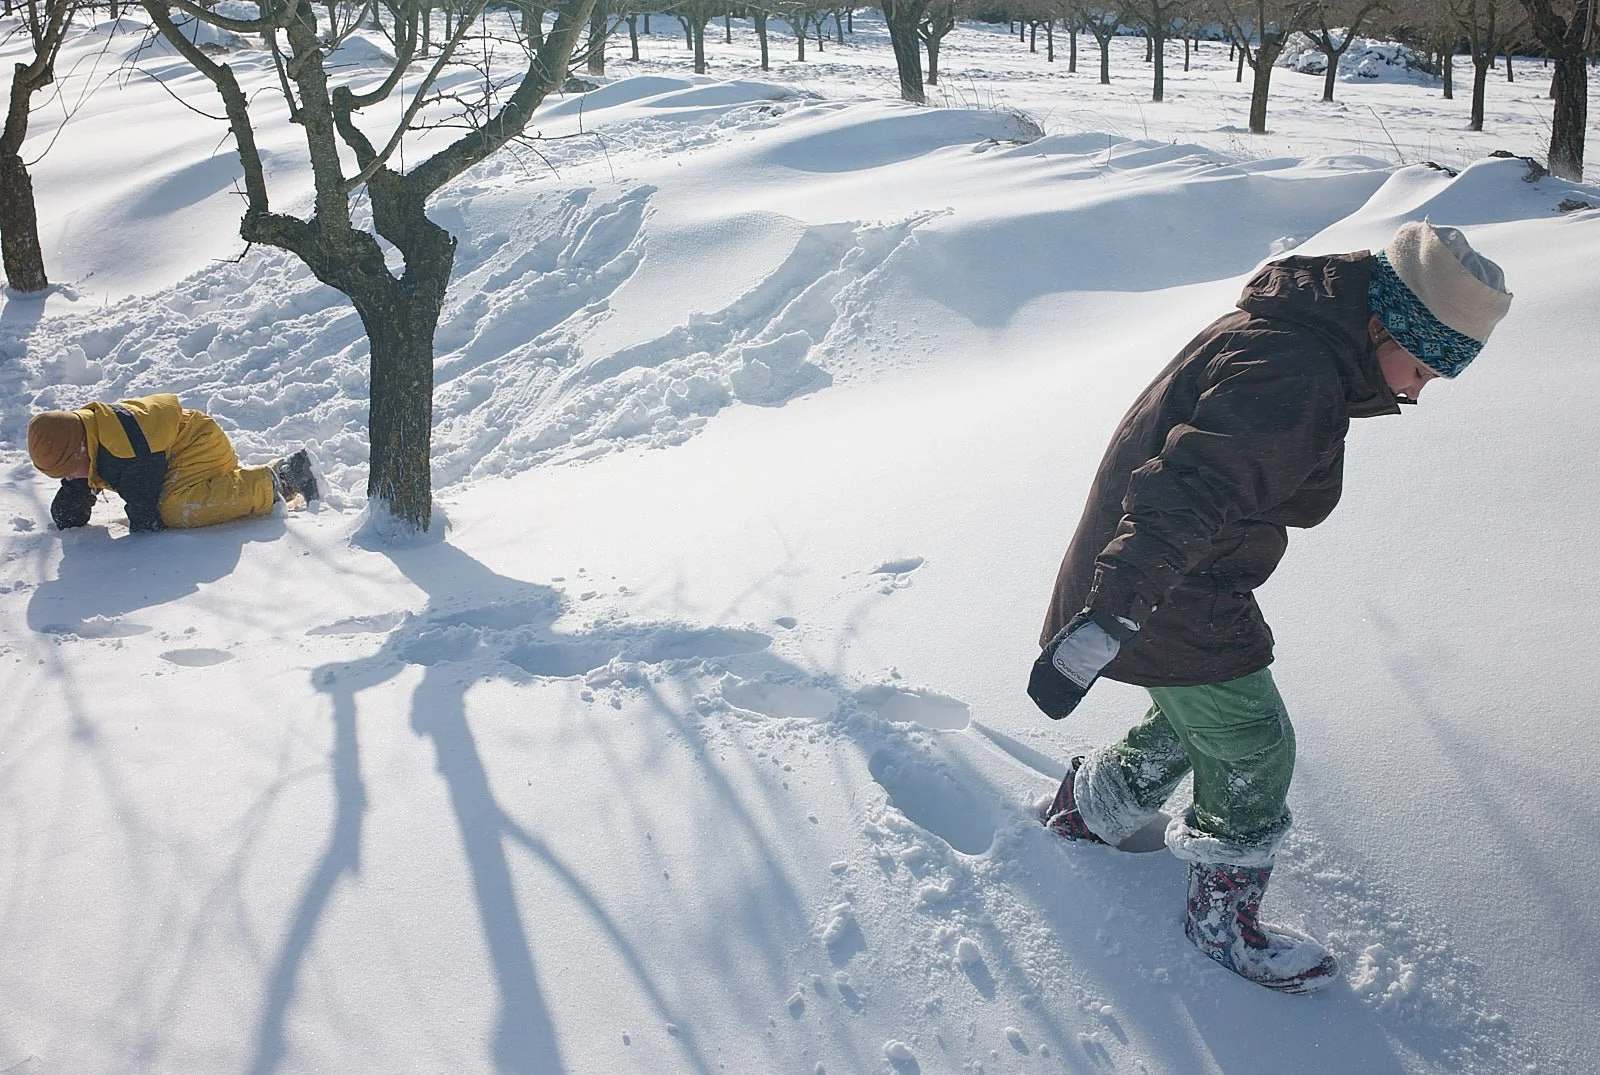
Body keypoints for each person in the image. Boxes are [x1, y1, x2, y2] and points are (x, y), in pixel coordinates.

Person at [1028, 220, 1512, 995]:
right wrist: (1113, 612)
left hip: (1171, 572)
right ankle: (1221, 920)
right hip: (1169, 583)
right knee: (1255, 745)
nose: (1417, 391)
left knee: (1200, 717)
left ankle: (1091, 809)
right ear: (1387, 324)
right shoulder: (1292, 372)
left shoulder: (1296, 335)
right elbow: (1190, 488)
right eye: (1420, 368)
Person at [26, 392, 319, 533]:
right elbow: (73, 502)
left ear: (79, 450)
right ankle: (252, 481)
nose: (70, 477)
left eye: (68, 470)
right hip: (172, 454)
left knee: (177, 509)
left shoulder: (124, 450)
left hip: (198, 443)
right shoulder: (87, 436)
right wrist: (73, 500)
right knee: (175, 500)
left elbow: (147, 517)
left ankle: (280, 479)